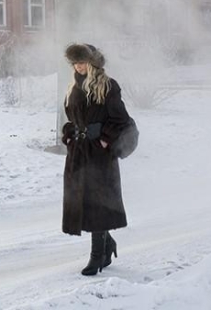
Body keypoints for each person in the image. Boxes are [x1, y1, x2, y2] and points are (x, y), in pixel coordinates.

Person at [61, 43, 132, 276]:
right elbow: (72, 118)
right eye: (75, 63)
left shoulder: (107, 86)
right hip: (78, 153)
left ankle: (97, 256)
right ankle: (107, 243)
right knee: (84, 204)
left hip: (99, 155)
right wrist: (69, 134)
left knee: (97, 204)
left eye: (82, 62)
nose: (78, 66)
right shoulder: (73, 87)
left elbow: (120, 119)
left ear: (92, 62)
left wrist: (104, 139)